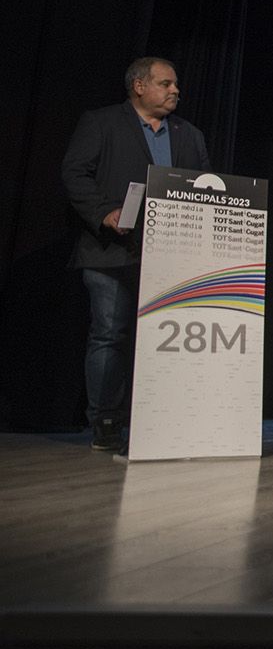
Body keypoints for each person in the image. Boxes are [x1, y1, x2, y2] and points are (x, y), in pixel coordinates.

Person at [61, 57, 211, 452]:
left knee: (167, 339)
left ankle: (162, 420)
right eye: (166, 83)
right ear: (139, 86)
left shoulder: (189, 134)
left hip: (172, 257)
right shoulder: (102, 122)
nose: (175, 90)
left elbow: (207, 188)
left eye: (176, 84)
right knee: (110, 335)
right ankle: (106, 423)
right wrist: (102, 213)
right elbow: (74, 173)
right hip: (112, 251)